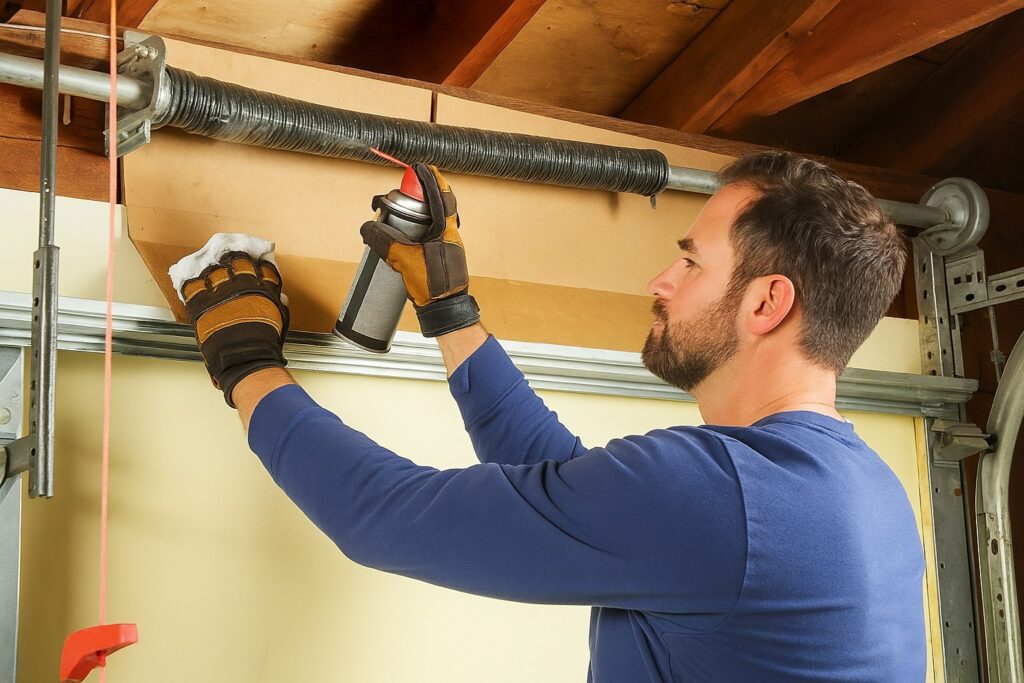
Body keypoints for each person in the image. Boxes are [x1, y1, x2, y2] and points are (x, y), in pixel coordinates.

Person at [174, 151, 924, 682]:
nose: (660, 281)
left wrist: (246, 366)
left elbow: (387, 515)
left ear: (768, 302)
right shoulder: (866, 489)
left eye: (691, 262)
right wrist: (449, 310)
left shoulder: (722, 495)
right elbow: (562, 490)